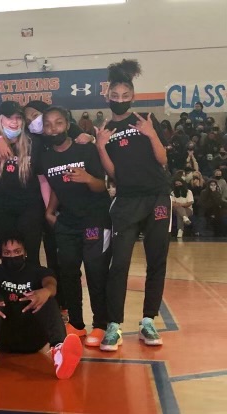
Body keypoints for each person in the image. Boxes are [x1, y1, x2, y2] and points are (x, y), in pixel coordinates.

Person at [96, 59, 170, 351]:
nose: (120, 100)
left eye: (125, 96)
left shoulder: (145, 120)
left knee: (157, 261)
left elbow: (163, 160)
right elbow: (113, 174)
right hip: (126, 201)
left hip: (156, 197)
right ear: (108, 97)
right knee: (120, 264)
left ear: (133, 97)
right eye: (115, 96)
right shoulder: (105, 129)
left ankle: (148, 321)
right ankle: (114, 325)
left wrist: (152, 135)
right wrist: (101, 146)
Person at [36, 106, 112, 346]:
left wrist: (87, 178)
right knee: (68, 273)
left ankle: (100, 324)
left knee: (95, 272)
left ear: (67, 124)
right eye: (48, 125)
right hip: (66, 222)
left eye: (58, 123)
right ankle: (77, 325)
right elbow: (58, 187)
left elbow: (103, 185)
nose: (53, 128)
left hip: (94, 219)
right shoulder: (46, 157)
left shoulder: (86, 149)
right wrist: (49, 210)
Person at [0, 234, 82, 380]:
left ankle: (60, 352)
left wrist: (46, 291)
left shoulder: (39, 271)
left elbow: (51, 283)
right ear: (1, 255)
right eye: (7, 253)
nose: (12, 256)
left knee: (46, 297)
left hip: (34, 338)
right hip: (1, 339)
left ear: (25, 252)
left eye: (17, 251)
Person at [0, 101, 44, 266]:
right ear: (0, 120)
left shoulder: (34, 142)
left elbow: (42, 178)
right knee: (6, 254)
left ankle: (33, 290)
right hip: (1, 209)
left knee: (32, 255)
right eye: (9, 117)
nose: (14, 122)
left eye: (18, 118)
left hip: (30, 208)